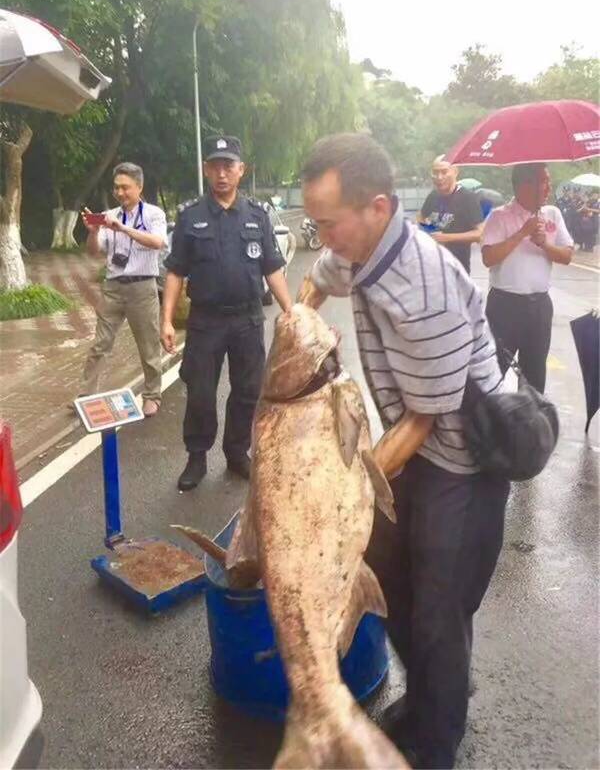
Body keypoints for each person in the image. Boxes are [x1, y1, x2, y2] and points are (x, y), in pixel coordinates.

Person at [297, 133, 510, 769]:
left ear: (378, 209)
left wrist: (346, 490)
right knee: (388, 578)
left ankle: (436, 743)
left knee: (438, 610)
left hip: (463, 460)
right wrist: (301, 328)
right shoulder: (353, 248)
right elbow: (318, 278)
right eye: (315, 223)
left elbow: (426, 420)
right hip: (416, 448)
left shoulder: (425, 287)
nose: (321, 236)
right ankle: (432, 694)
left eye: (327, 223)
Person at [161, 135, 292, 490]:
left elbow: (272, 267)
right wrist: (167, 320)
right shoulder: (190, 216)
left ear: (240, 170)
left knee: (248, 390)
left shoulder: (257, 216)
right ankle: (197, 457)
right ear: (206, 170)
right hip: (206, 321)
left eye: (228, 166)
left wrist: (291, 311)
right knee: (200, 392)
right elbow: (175, 270)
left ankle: (237, 454)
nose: (222, 173)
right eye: (215, 166)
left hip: (248, 319)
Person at [80, 162, 167, 417]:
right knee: (100, 344)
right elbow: (94, 252)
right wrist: (95, 231)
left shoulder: (153, 214)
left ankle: (152, 395)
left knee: (148, 345)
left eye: (126, 187)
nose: (120, 192)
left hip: (142, 288)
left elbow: (157, 242)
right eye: (117, 187)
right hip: (113, 287)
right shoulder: (110, 215)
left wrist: (123, 229)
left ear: (139, 187)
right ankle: (86, 396)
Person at [481, 163, 573, 394]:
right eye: (543, 182)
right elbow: (489, 258)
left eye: (548, 181)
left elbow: (567, 256)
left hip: (539, 308)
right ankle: (488, 425)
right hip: (504, 307)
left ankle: (529, 423)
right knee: (493, 372)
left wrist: (544, 243)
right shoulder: (499, 216)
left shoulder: (552, 214)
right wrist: (522, 232)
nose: (548, 188)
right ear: (524, 186)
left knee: (534, 375)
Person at [418, 155, 484, 274]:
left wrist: (446, 238)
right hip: (432, 268)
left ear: (455, 172)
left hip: (457, 270)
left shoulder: (467, 198)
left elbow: (480, 234)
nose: (439, 177)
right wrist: (427, 231)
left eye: (444, 172)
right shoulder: (433, 196)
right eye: (435, 173)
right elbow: (420, 218)